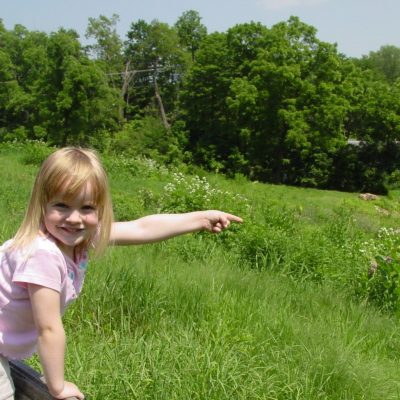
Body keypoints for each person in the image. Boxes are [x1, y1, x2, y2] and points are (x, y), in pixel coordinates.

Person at [0, 147, 242, 400]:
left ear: (100, 209)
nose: (74, 218)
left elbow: (142, 228)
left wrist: (200, 219)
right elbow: (48, 328)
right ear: (42, 204)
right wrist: (57, 387)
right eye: (61, 206)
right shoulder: (43, 255)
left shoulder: (78, 238)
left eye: (86, 208)